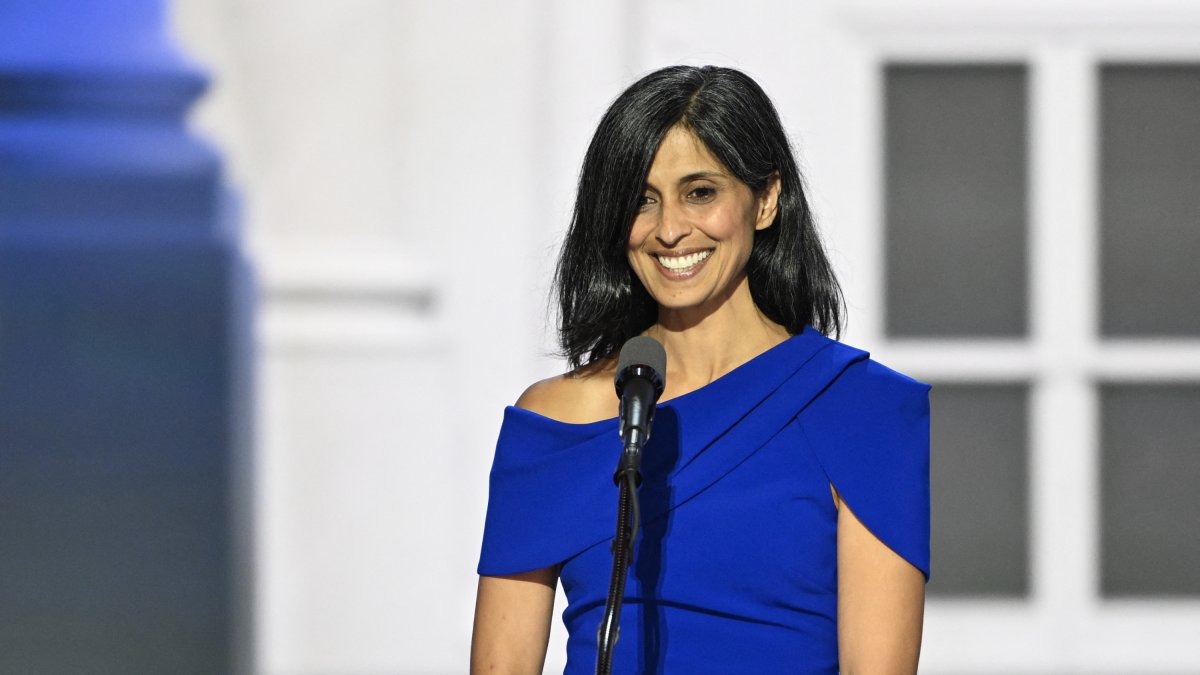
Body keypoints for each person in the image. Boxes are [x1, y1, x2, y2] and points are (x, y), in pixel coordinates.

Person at [471, 65, 929, 674]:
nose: (668, 229)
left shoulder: (864, 410)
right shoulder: (551, 423)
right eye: (642, 199)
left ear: (766, 198)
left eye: (701, 192)